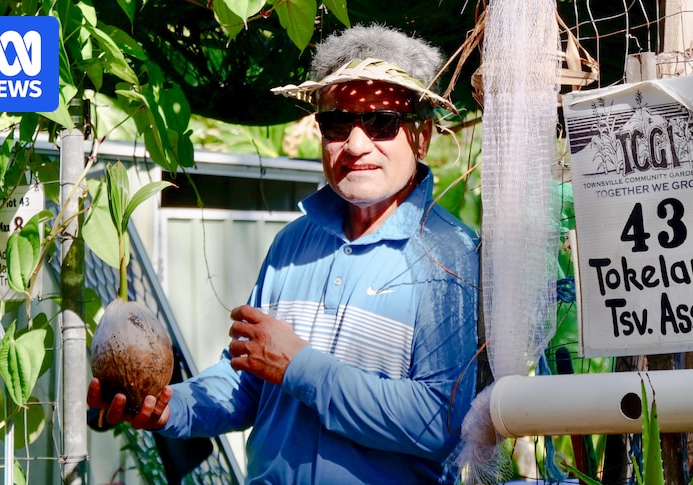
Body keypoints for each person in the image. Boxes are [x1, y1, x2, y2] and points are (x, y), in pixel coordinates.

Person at [88, 23, 480, 484]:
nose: (355, 145)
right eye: (337, 123)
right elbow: (248, 384)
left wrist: (299, 367)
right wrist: (172, 408)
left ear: (422, 136)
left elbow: (440, 423)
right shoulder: (292, 245)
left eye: (380, 122)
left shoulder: (448, 256)